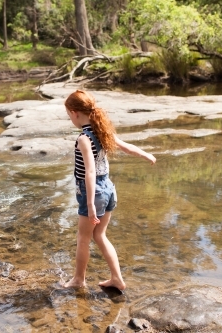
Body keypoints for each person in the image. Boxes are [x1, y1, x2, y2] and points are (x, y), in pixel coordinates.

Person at [63, 89, 156, 291]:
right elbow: (127, 147)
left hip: (93, 192)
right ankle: (116, 278)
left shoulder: (83, 139)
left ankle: (79, 279)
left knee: (83, 238)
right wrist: (146, 154)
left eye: (68, 115)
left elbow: (89, 172)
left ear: (74, 113)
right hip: (108, 189)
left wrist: (89, 204)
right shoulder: (102, 131)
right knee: (100, 235)